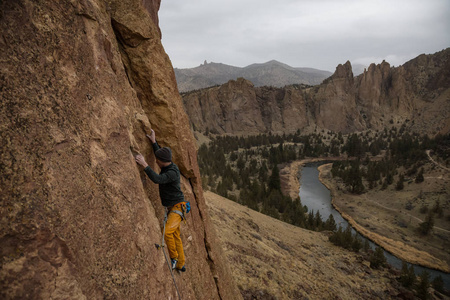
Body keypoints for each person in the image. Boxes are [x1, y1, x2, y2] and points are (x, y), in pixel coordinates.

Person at [135, 129, 187, 272]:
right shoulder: (168, 164)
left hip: (177, 208)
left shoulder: (171, 173)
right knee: (176, 236)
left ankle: (174, 258)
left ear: (162, 162)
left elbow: (157, 179)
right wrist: (153, 142)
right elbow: (160, 155)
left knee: (168, 232)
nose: (156, 161)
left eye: (157, 160)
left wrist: (145, 164)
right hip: (174, 207)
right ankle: (181, 264)